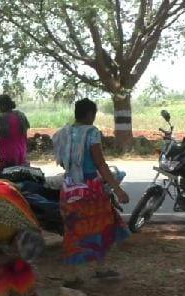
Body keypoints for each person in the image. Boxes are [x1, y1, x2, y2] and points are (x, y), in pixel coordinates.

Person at [52, 98, 130, 286]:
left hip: (69, 188)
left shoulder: (64, 132)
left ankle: (71, 276)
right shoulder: (92, 132)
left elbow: (64, 162)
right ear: (89, 114)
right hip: (89, 190)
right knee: (103, 225)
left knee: (73, 229)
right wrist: (117, 189)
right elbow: (100, 163)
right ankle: (100, 269)